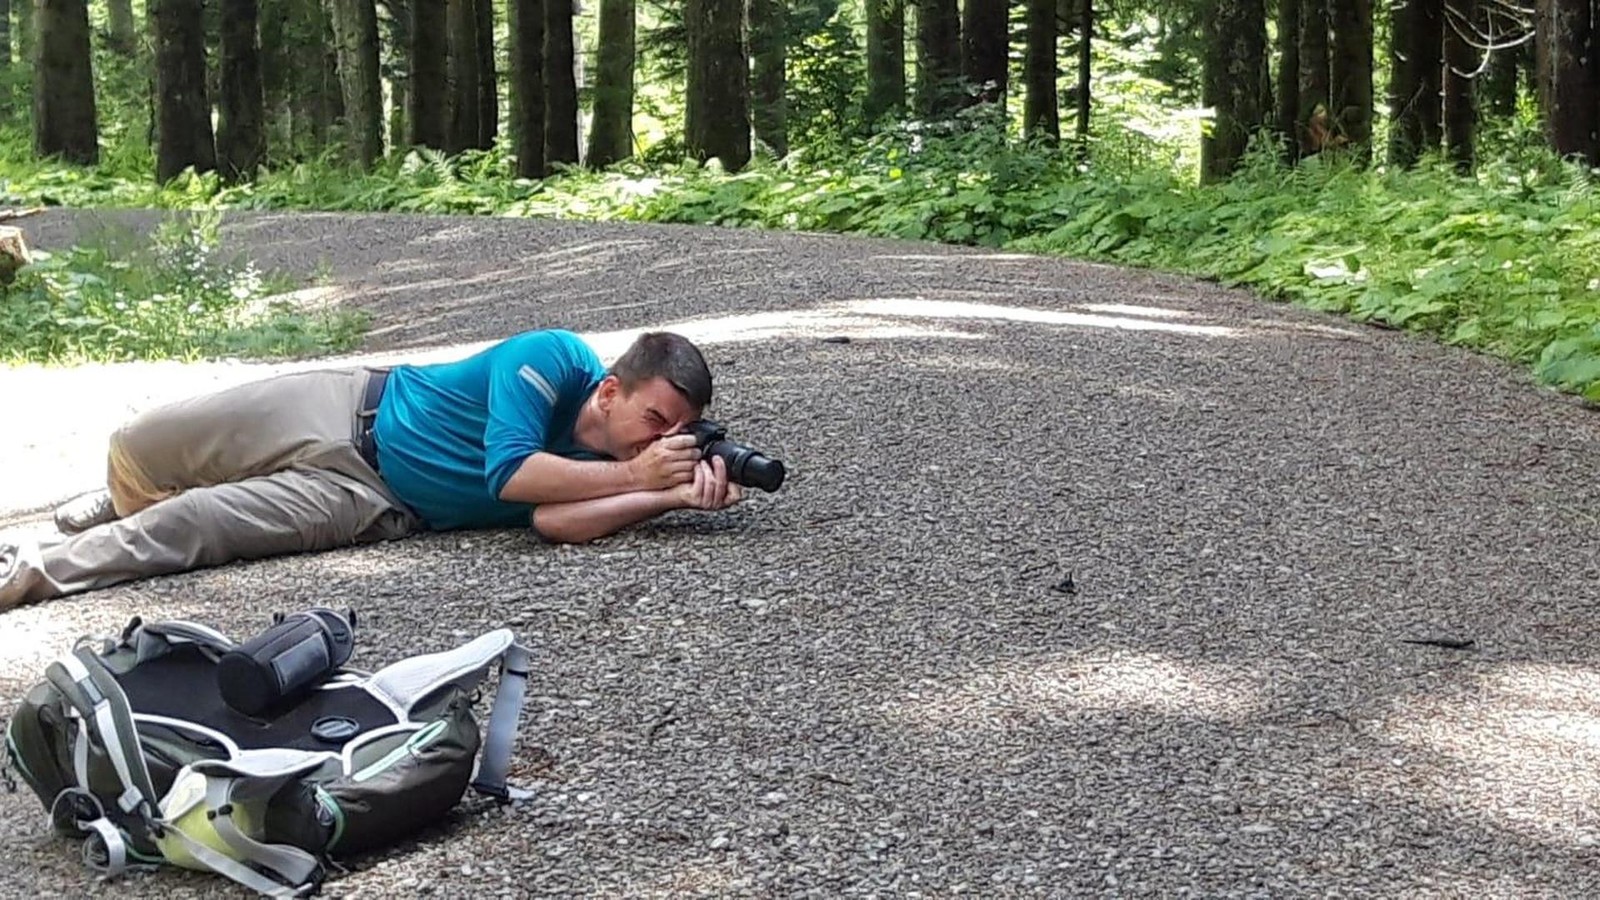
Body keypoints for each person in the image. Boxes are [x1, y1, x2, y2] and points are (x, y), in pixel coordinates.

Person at [0, 329, 745, 612]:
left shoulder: (618, 465)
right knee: (140, 442)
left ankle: (28, 572)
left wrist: (662, 496)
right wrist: (642, 478)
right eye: (655, 422)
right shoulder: (553, 359)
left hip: (369, 501)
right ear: (612, 391)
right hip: (344, 409)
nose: (662, 442)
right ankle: (121, 496)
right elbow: (512, 474)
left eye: (678, 435)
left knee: (193, 528)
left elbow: (553, 520)